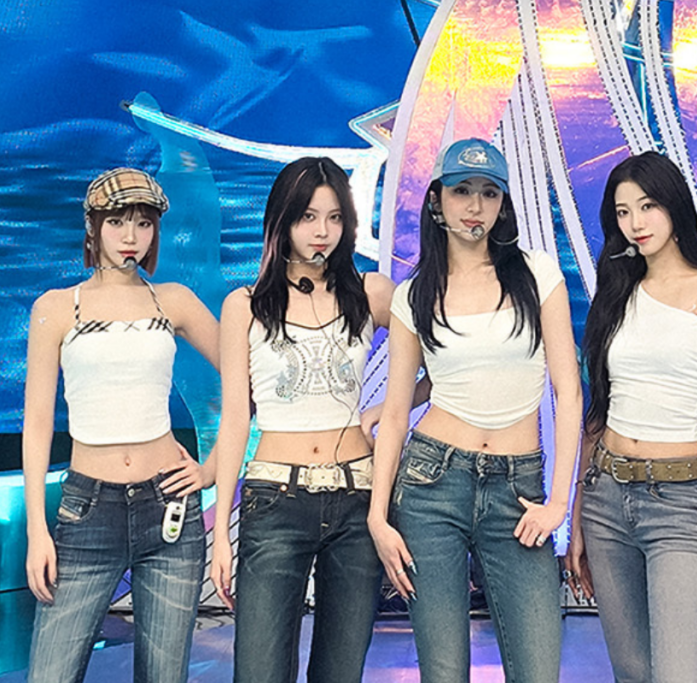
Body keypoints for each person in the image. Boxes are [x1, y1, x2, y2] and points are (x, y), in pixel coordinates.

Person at [368, 138, 582, 682]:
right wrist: (377, 515)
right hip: (432, 484)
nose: (475, 205)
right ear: (436, 200)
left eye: (489, 193)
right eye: (462, 190)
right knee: (443, 672)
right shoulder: (415, 293)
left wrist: (559, 501)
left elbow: (569, 391)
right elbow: (397, 413)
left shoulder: (537, 274)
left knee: (538, 669)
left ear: (503, 204)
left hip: (519, 489)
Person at [22, 167, 220, 683]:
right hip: (88, 509)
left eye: (143, 223)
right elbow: (38, 423)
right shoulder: (55, 307)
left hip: (168, 507)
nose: (131, 236)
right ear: (92, 226)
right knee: (50, 673)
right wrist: (38, 530)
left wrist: (213, 468)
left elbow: (248, 380)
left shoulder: (173, 300)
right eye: (117, 222)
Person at [209, 157, 395, 683]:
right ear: (282, 219)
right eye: (308, 217)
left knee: (341, 671)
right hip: (274, 499)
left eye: (334, 218)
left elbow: (439, 354)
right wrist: (220, 531)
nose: (322, 231)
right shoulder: (244, 305)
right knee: (260, 671)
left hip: (356, 498)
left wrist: (386, 409)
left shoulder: (371, 292)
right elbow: (235, 420)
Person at [565, 151, 697, 682]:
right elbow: (597, 412)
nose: (635, 223)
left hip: (682, 502)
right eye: (623, 212)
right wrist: (577, 517)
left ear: (674, 206)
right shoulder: (615, 293)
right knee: (631, 671)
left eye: (647, 206)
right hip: (606, 497)